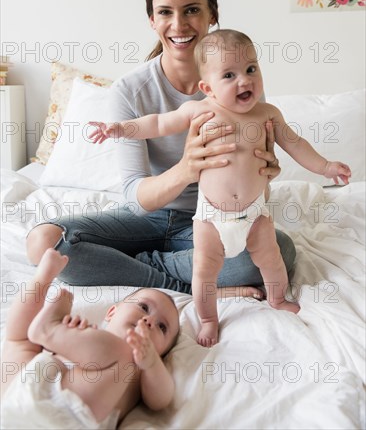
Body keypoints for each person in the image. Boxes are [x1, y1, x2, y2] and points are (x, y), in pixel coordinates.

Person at [26, 0, 295, 297]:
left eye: (192, 10)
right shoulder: (130, 90)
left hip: (212, 222)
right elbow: (136, 198)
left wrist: (265, 176)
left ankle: (157, 267)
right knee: (44, 244)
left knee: (279, 251)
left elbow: (256, 187)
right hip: (146, 219)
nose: (179, 25)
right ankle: (188, 279)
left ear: (213, 14)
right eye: (166, 12)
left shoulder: (240, 83)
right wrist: (186, 168)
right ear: (152, 20)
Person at [89, 29, 351, 346]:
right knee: (205, 271)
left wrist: (325, 167)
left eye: (251, 69)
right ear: (207, 87)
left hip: (255, 214)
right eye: (229, 75)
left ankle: (278, 299)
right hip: (211, 216)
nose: (245, 80)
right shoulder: (201, 111)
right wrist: (119, 128)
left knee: (272, 260)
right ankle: (209, 319)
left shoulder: (268, 113)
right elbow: (157, 123)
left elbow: (295, 144)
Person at [1, 249, 180, 429]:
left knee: (124, 355)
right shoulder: (86, 332)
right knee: (19, 341)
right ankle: (42, 278)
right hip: (17, 391)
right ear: (112, 312)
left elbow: (161, 401)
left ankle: (49, 329)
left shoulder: (141, 367)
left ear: (163, 351)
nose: (149, 321)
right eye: (143, 307)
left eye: (162, 327)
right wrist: (76, 338)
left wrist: (151, 363)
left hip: (62, 417)